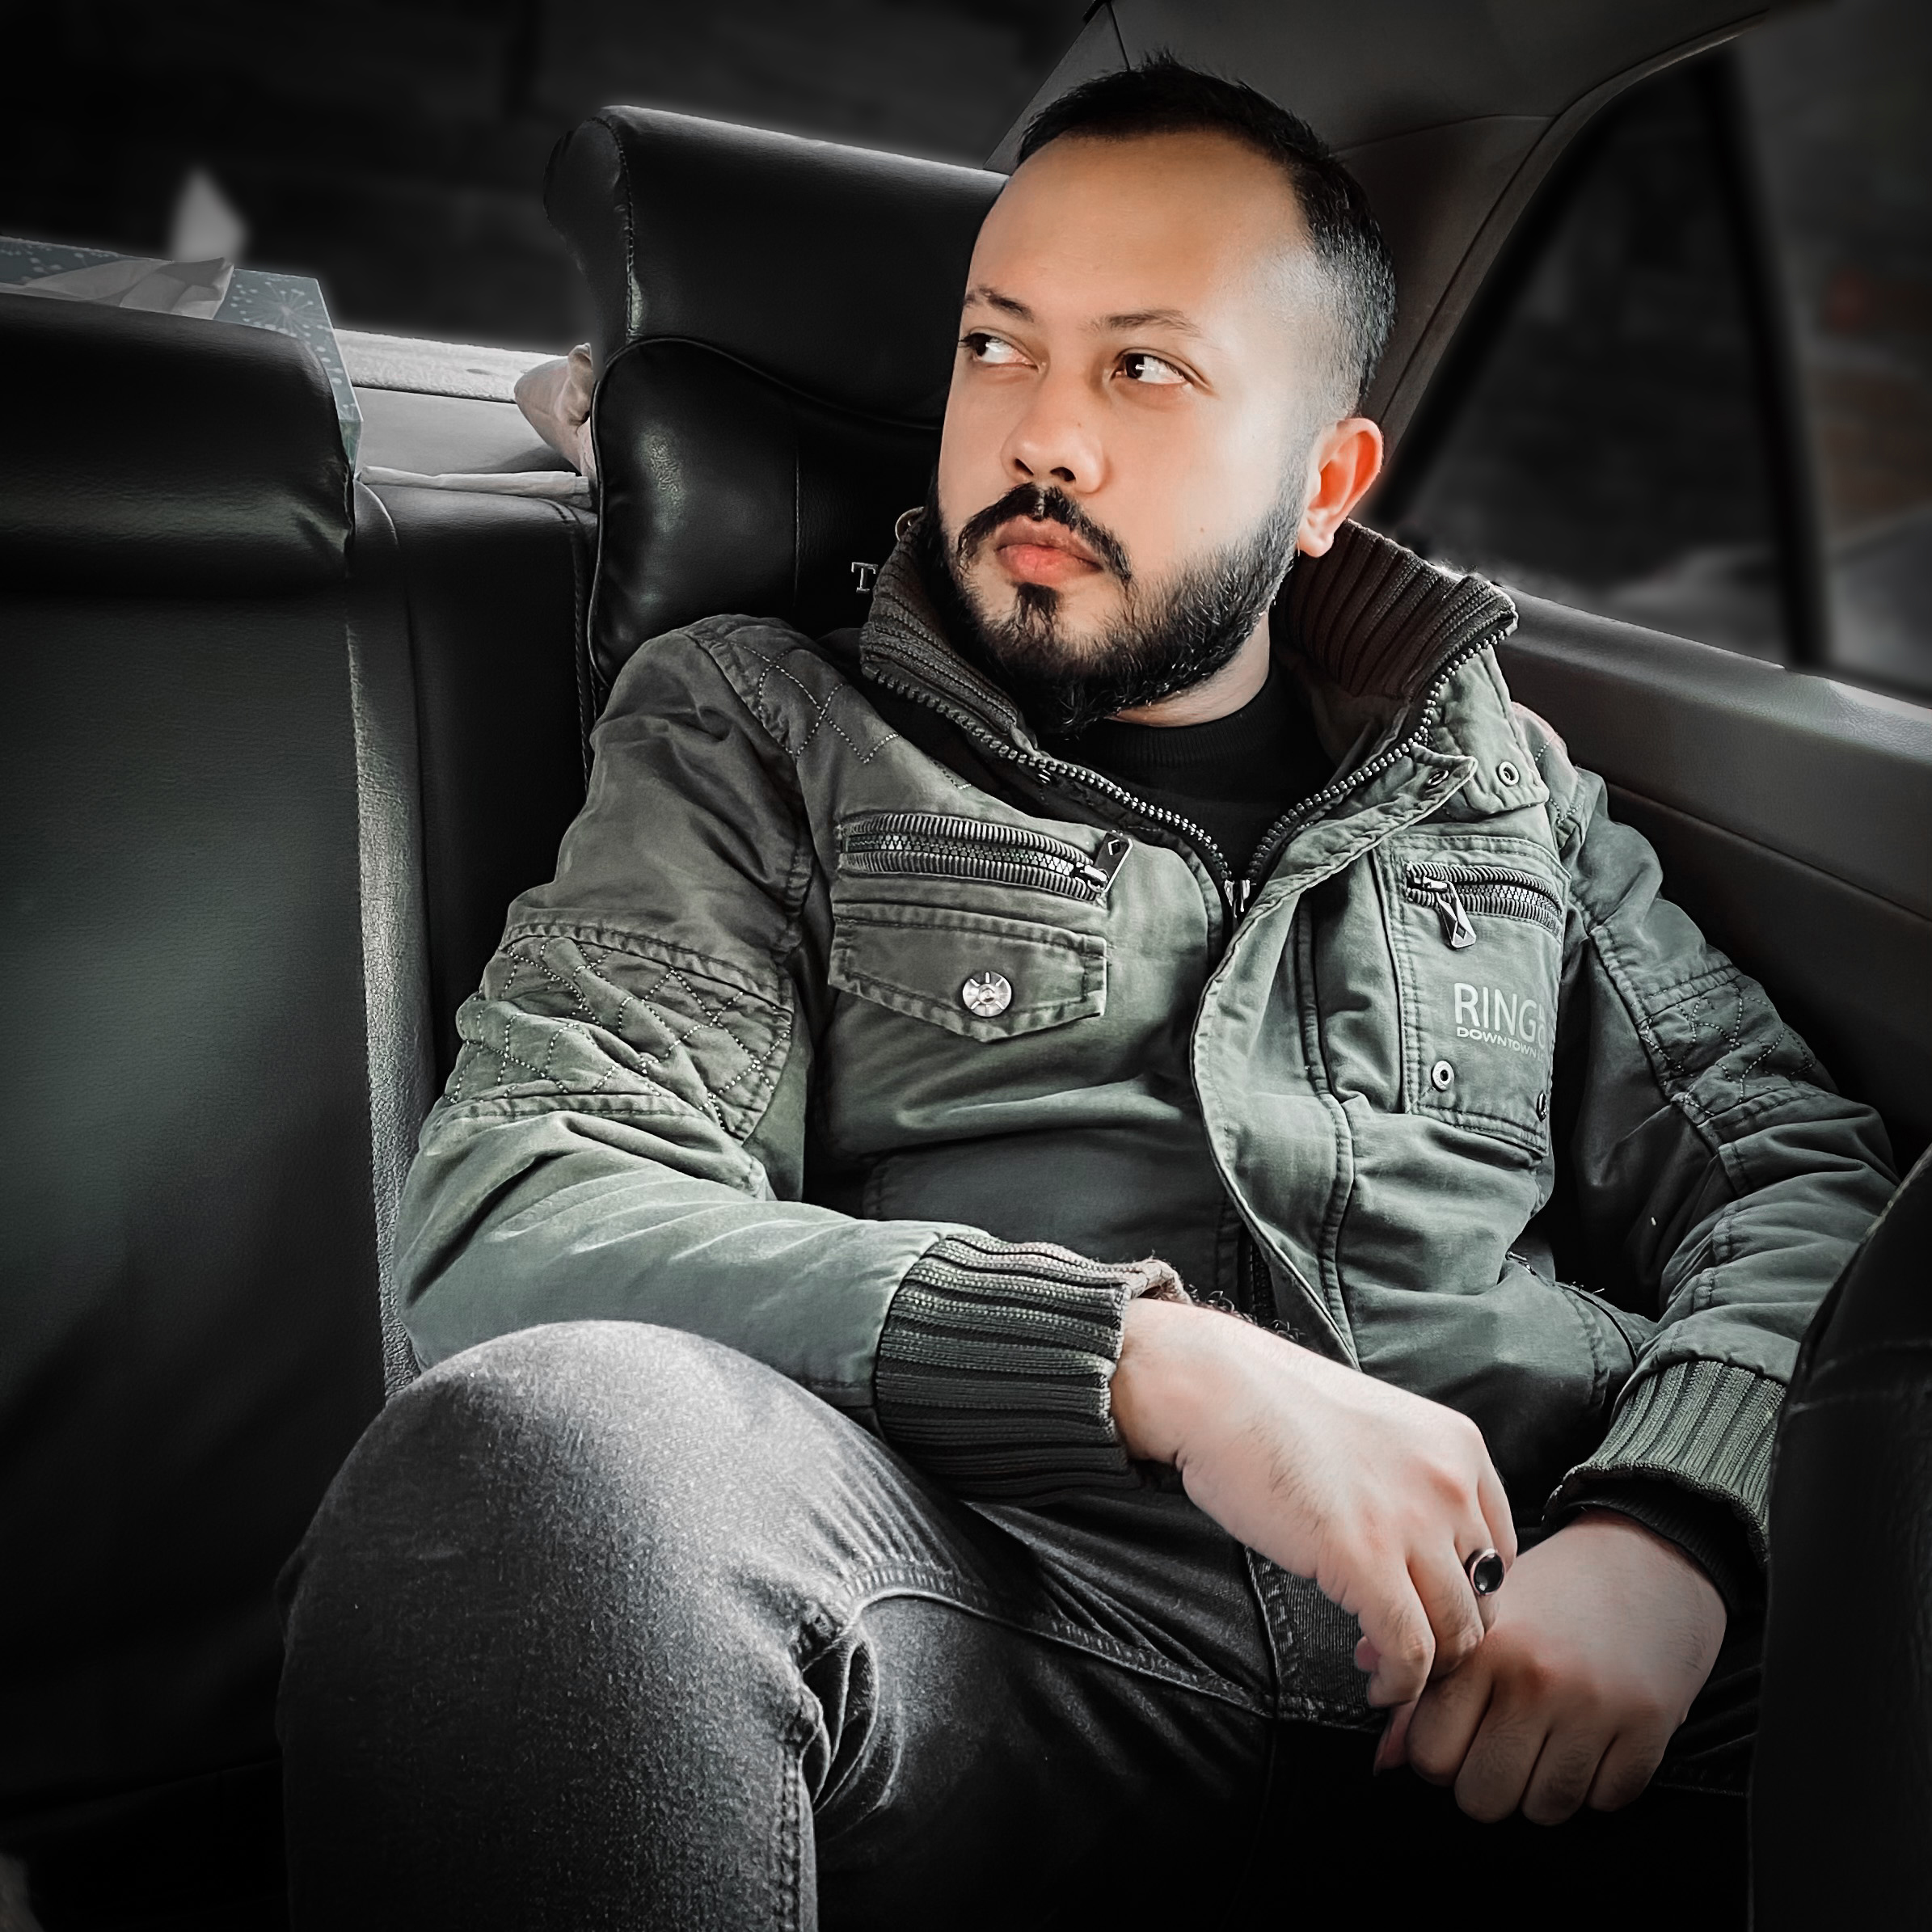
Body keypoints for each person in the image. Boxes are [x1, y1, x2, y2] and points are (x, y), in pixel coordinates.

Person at [278, 60, 1894, 1930]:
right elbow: (525, 1205)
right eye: (996, 345)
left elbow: (1799, 1185)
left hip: (1529, 1656)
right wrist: (1143, 1364)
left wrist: (1669, 1528)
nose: (1042, 435)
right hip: (1008, 1632)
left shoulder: (1500, 784)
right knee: (544, 1460)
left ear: (1322, 483)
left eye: (1143, 368)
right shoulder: (761, 723)